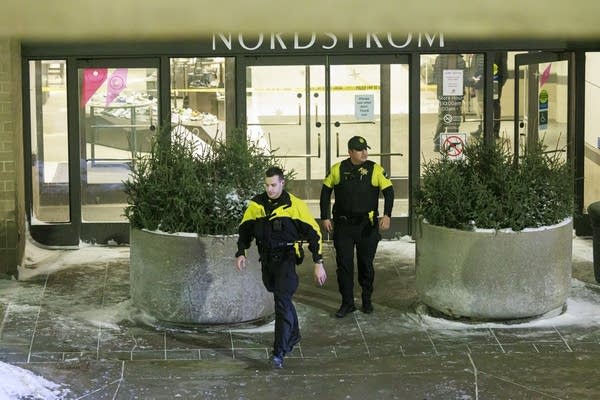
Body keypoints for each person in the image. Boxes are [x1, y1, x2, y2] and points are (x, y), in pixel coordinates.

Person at [235, 166, 327, 369]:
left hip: (287, 258)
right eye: (267, 185)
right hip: (267, 259)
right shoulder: (257, 204)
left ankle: (279, 352)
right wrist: (241, 251)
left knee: (282, 303)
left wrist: (318, 262)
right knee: (280, 297)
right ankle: (293, 335)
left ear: (282, 183)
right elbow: (245, 230)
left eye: (274, 185)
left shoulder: (294, 205)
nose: (270, 189)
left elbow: (314, 234)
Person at [319, 136, 394, 318]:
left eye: (365, 149)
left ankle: (366, 300)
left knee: (365, 265)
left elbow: (389, 191)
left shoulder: (374, 169)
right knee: (344, 266)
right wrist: (325, 217)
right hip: (344, 226)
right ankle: (347, 303)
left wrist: (387, 215)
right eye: (360, 150)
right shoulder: (338, 169)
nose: (364, 153)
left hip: (366, 226)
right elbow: (325, 192)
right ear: (350, 152)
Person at [432, 54, 468, 152]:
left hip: (443, 93)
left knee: (442, 117)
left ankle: (437, 143)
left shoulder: (439, 58)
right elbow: (464, 79)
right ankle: (452, 142)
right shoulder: (460, 60)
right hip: (456, 94)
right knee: (454, 118)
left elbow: (435, 78)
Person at [468, 52, 508, 138]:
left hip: (494, 81)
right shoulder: (478, 48)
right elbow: (474, 67)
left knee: (494, 104)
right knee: (481, 105)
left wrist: (500, 83)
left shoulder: (500, 49)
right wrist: (473, 83)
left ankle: (495, 131)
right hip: (480, 81)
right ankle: (483, 128)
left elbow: (504, 69)